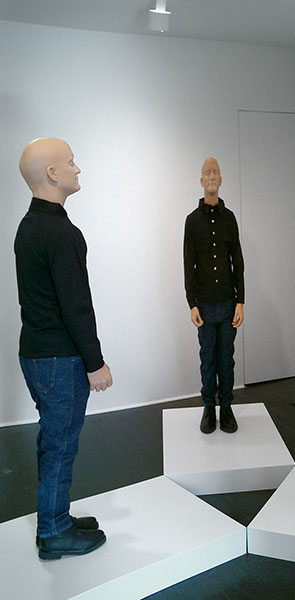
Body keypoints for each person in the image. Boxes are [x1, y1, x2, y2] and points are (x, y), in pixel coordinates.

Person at [15, 137, 113, 559]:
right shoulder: (61, 233)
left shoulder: (29, 226)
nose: (78, 168)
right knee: (61, 444)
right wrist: (96, 362)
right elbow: (76, 307)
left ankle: (56, 516)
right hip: (59, 357)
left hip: (35, 355)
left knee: (52, 439)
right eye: (71, 162)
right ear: (52, 173)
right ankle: (53, 531)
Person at [184, 157, 244, 434]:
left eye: (215, 172)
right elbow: (189, 264)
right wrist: (192, 303)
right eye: (207, 172)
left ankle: (226, 407)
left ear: (220, 180)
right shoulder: (192, 221)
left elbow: (237, 261)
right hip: (205, 305)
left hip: (228, 301)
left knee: (226, 358)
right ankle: (209, 407)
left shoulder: (229, 218)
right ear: (201, 181)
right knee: (207, 357)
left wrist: (240, 301)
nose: (211, 176)